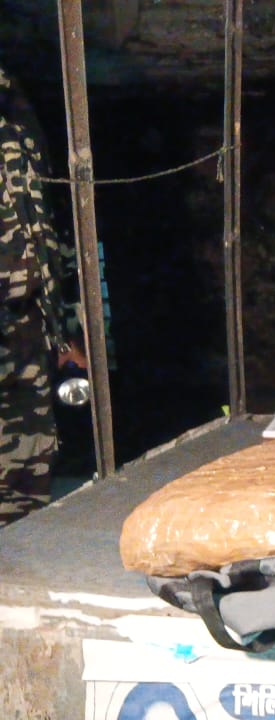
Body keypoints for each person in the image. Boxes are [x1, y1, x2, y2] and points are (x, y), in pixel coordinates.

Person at [0, 65, 86, 526]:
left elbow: (47, 229)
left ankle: (18, 543)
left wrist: (65, 328)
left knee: (30, 461)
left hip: (29, 318)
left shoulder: (16, 118)